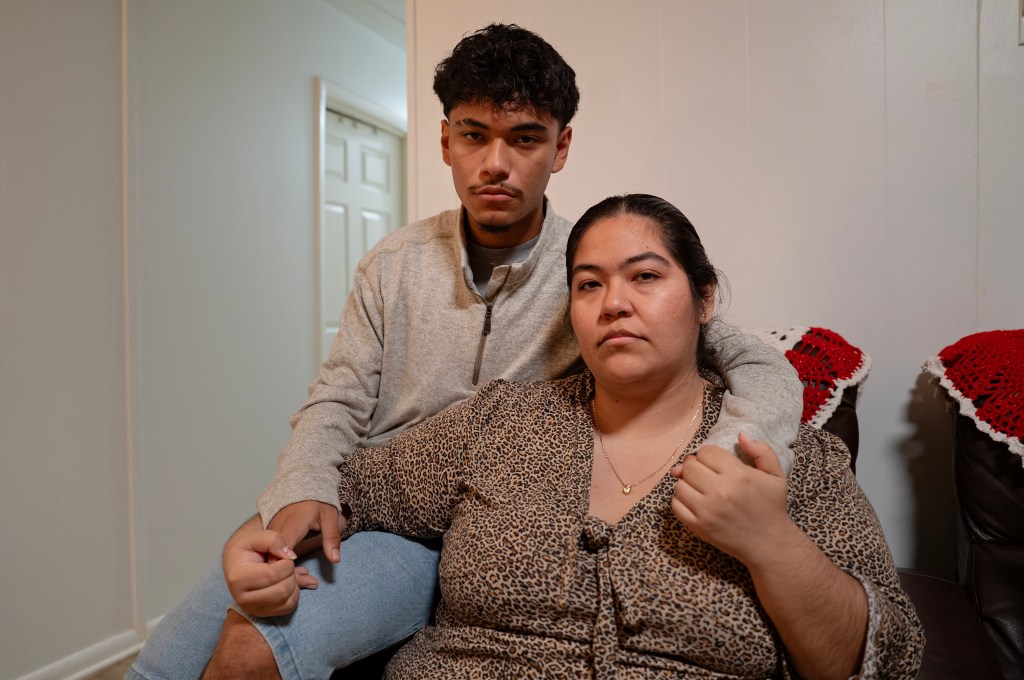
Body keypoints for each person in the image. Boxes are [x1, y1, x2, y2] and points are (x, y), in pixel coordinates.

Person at [128, 26, 803, 680]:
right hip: (369, 496)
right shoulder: (394, 264)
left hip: (454, 532)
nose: (496, 165)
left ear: (561, 147)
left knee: (256, 644)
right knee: (164, 662)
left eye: (526, 139)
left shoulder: (589, 274)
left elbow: (755, 358)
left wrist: (731, 448)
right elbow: (337, 396)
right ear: (445, 138)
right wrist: (302, 489)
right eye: (474, 135)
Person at [254, 193, 921, 678]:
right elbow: (344, 490)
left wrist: (771, 543)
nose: (614, 303)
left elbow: (883, 659)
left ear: (705, 298)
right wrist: (253, 547)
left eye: (647, 276)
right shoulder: (500, 423)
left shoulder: (789, 460)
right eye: (588, 284)